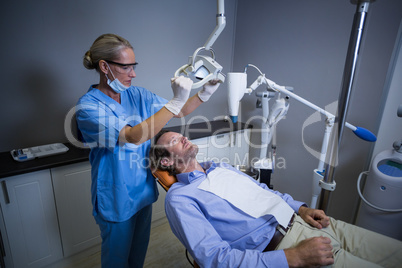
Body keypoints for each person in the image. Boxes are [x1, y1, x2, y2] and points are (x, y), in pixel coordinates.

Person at [149, 130, 402, 268]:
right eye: (173, 141)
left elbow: (262, 190)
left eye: (179, 135)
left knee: (395, 252)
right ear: (166, 162)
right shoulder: (180, 199)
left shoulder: (219, 167)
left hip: (308, 222)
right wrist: (294, 258)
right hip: (287, 248)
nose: (182, 137)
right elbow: (215, 259)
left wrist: (300, 208)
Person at [76, 33, 221, 267]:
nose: (133, 73)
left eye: (134, 66)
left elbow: (179, 111)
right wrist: (174, 102)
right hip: (116, 196)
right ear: (104, 66)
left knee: (137, 258)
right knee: (116, 260)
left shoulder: (137, 94)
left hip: (142, 191)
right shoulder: (88, 107)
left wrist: (204, 93)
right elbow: (132, 136)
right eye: (125, 67)